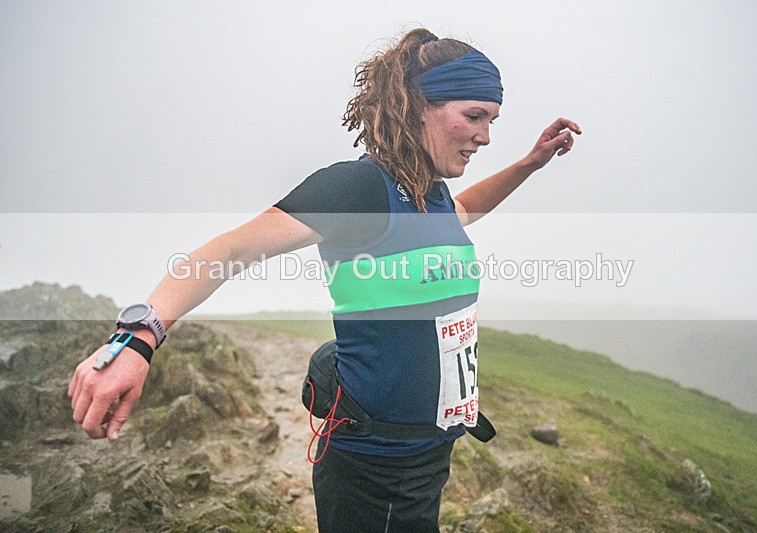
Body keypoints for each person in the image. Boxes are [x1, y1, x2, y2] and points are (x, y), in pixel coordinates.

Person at [68, 27, 580, 532]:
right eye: (474, 116)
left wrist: (528, 165)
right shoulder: (359, 188)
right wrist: (137, 339)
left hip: (429, 450)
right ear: (418, 106)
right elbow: (231, 248)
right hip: (375, 466)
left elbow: (466, 208)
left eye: (491, 120)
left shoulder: (434, 195)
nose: (485, 136)